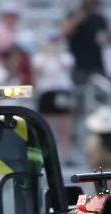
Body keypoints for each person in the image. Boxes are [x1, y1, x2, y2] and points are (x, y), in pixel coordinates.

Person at [33, 31, 75, 162]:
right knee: (46, 126)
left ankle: (67, 156)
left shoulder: (66, 57)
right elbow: (38, 70)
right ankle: (47, 156)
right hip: (47, 92)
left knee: (65, 127)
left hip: (62, 91)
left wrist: (56, 55)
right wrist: (47, 54)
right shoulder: (39, 57)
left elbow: (66, 67)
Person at [64, 0, 111, 86]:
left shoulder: (99, 19)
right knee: (80, 94)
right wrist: (78, 19)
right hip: (79, 66)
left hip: (97, 65)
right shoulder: (73, 16)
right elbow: (65, 33)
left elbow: (108, 39)